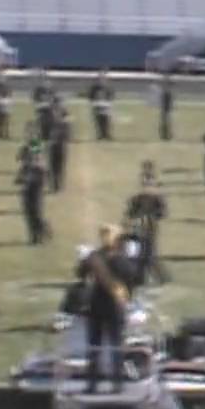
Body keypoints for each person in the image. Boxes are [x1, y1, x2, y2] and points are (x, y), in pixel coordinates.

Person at [76, 225, 138, 392]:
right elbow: (132, 277)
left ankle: (95, 384)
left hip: (102, 305)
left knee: (102, 348)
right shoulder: (116, 258)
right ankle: (113, 384)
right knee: (110, 347)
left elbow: (80, 273)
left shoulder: (97, 257)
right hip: (110, 306)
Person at [125, 165, 169, 284]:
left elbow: (162, 213)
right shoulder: (137, 198)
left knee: (149, 254)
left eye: (149, 183)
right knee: (139, 254)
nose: (146, 186)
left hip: (150, 227)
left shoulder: (157, 198)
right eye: (144, 183)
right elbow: (130, 213)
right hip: (138, 228)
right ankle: (141, 278)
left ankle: (162, 277)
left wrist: (151, 216)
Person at [16, 149, 50, 246]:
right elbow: (17, 180)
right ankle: (33, 237)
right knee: (28, 217)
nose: (24, 161)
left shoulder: (39, 169)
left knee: (36, 216)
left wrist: (28, 179)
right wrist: (23, 179)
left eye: (26, 159)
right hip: (26, 195)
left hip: (36, 196)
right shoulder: (24, 168)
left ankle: (41, 235)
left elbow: (42, 180)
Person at [48, 106, 70, 193]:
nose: (55, 115)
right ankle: (55, 184)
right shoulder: (49, 124)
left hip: (60, 147)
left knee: (60, 167)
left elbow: (67, 137)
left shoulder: (64, 125)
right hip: (52, 148)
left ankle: (59, 183)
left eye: (58, 114)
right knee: (53, 166)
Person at [88, 70, 115, 141]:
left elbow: (111, 96)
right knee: (98, 121)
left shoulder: (108, 87)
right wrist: (93, 103)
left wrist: (109, 104)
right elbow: (90, 96)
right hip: (97, 106)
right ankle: (100, 135)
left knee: (106, 121)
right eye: (100, 78)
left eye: (103, 78)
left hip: (106, 106)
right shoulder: (94, 88)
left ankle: (107, 134)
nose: (101, 79)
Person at [32, 70, 56, 142]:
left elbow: (53, 98)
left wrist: (51, 102)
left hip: (48, 108)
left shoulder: (50, 89)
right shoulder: (38, 89)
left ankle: (47, 134)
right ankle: (41, 134)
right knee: (41, 120)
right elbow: (35, 98)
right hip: (40, 107)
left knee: (51, 119)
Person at [158, 74, 174, 141]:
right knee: (165, 117)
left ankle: (166, 133)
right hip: (165, 100)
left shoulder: (167, 93)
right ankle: (164, 133)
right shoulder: (164, 92)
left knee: (166, 117)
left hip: (166, 100)